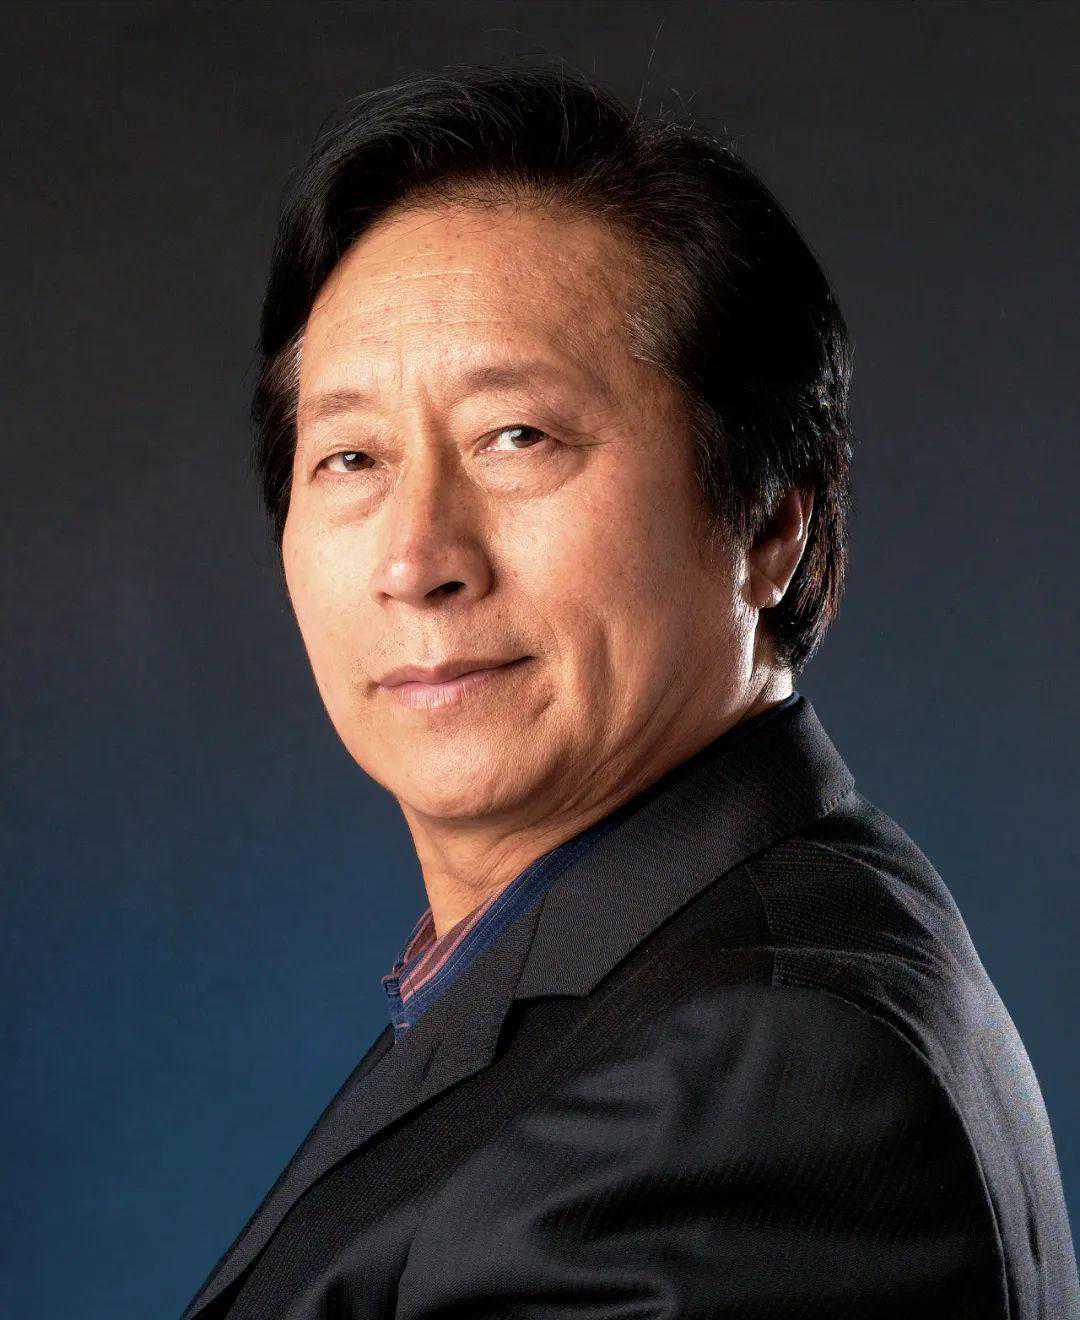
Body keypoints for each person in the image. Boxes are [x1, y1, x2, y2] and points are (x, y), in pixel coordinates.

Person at [181, 61, 1078, 1319]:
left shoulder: (758, 1070)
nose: (417, 559)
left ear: (768, 524)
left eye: (518, 438)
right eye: (351, 457)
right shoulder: (628, 974)